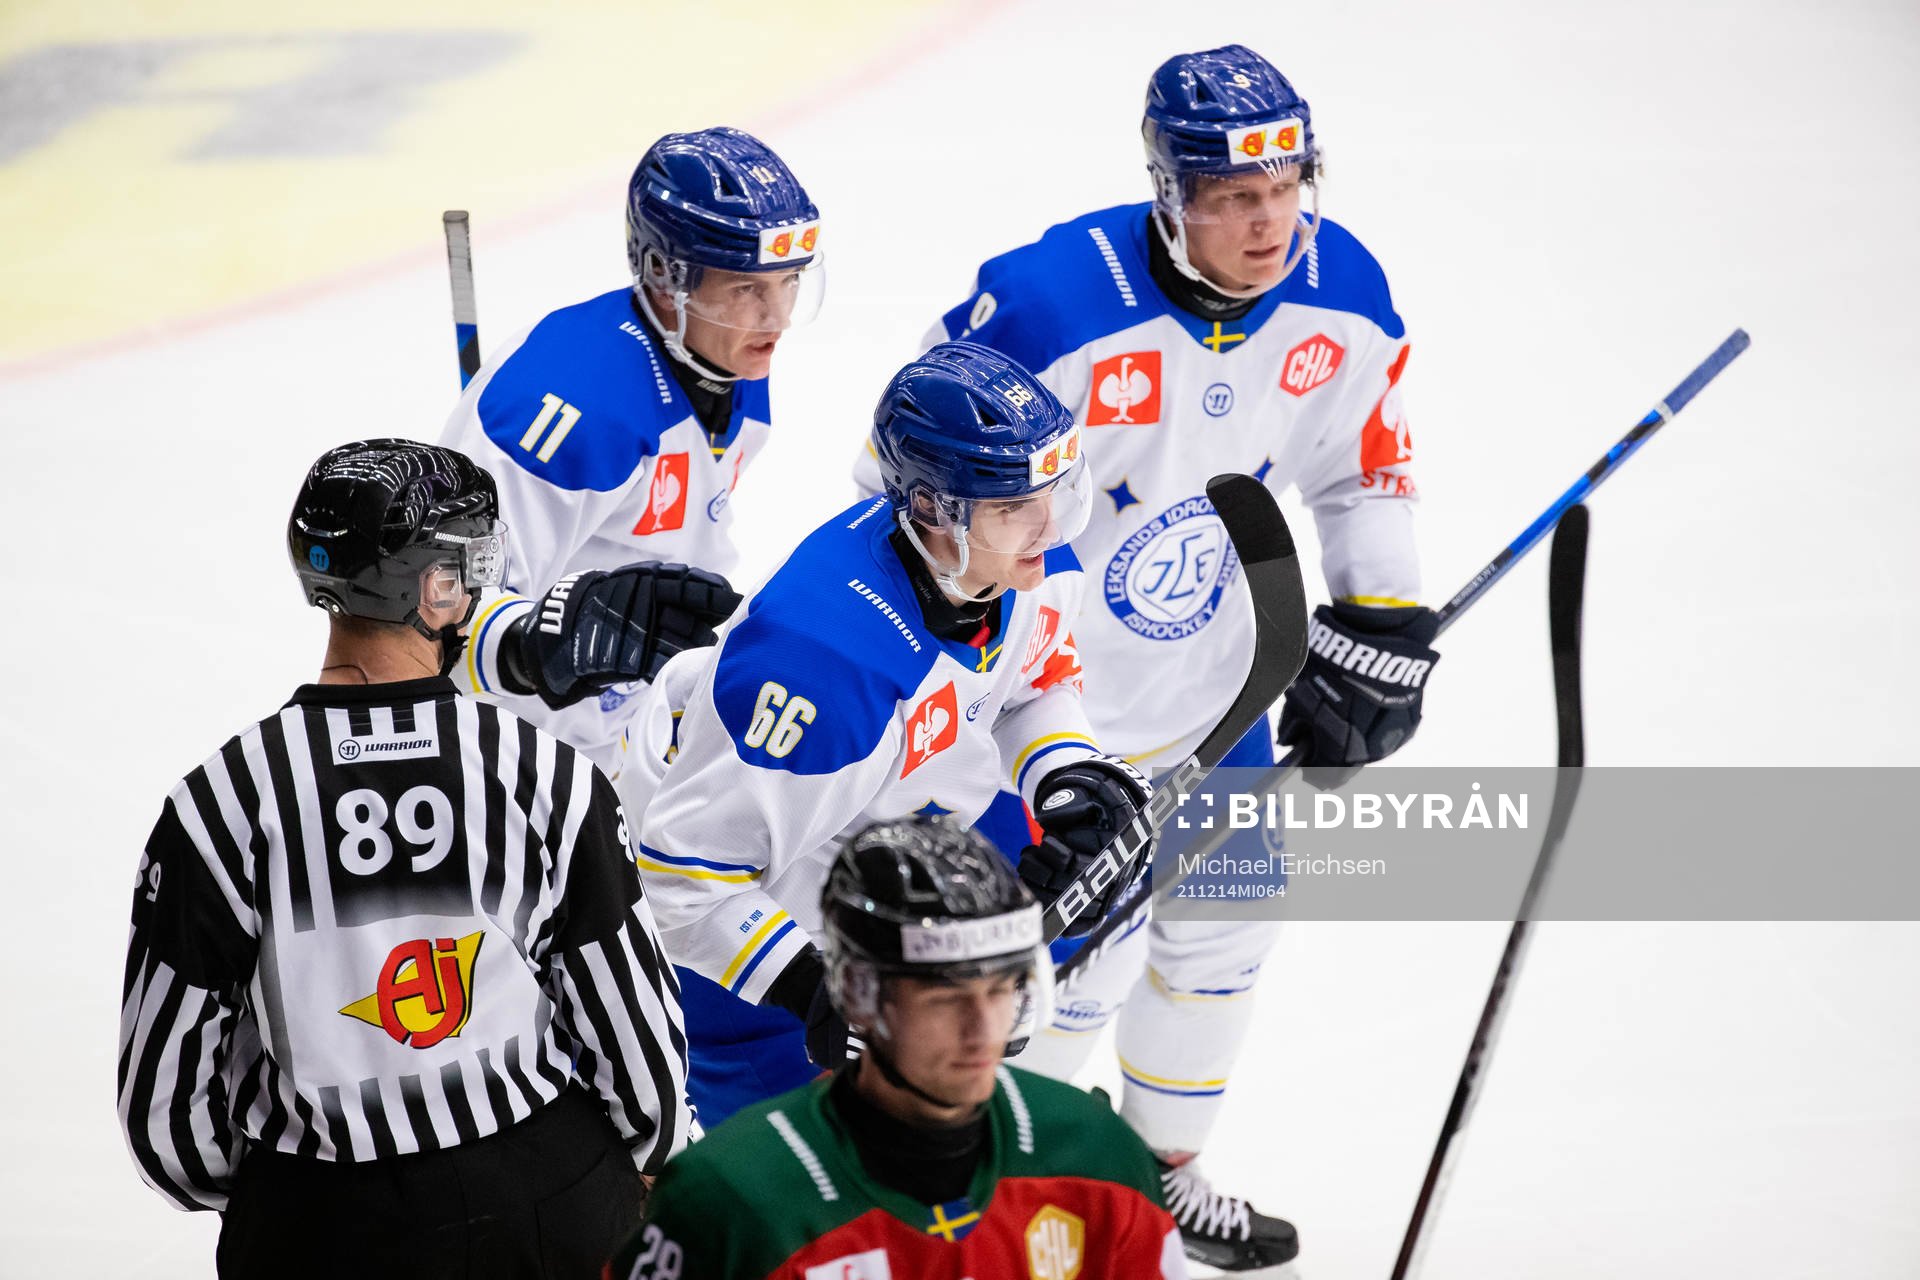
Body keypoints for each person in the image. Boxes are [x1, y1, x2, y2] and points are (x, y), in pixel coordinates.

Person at [868, 43, 1442, 1272]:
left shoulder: (1344, 294)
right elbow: (899, 483)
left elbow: (1359, 460)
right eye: (1236, 196)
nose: (1271, 220)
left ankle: (1161, 1171)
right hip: (1031, 722)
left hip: (1214, 686)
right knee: (1043, 980)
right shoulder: (1044, 309)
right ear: (1166, 191)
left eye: (1288, 186)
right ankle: (996, 1205)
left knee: (1227, 931)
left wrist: (1382, 619)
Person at [117, 440, 692, 1279]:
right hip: (546, 1195)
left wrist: (286, 1202)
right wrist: (639, 1161)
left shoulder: (218, 802)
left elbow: (166, 1109)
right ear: (435, 587)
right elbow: (636, 1039)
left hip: (321, 1221)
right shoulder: (544, 773)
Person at [617, 342, 1153, 1129]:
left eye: (1056, 493)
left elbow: (1031, 681)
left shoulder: (1017, 551)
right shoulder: (824, 666)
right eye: (1015, 507)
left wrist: (1069, 773)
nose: (1050, 527)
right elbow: (683, 878)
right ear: (934, 508)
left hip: (882, 843)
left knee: (1008, 1034)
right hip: (738, 939)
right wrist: (821, 989)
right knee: (798, 1189)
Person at [606, 817, 1189, 1279]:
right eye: (944, 999)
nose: (983, 1029)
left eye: (1003, 988)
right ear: (857, 995)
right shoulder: (725, 1201)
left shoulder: (1099, 1153)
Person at [443, 125, 821, 769]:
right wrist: (541, 642)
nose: (777, 316)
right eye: (746, 289)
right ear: (663, 274)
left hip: (634, 734)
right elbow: (442, 617)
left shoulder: (726, 358)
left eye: (787, 282)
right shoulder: (570, 405)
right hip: (520, 757)